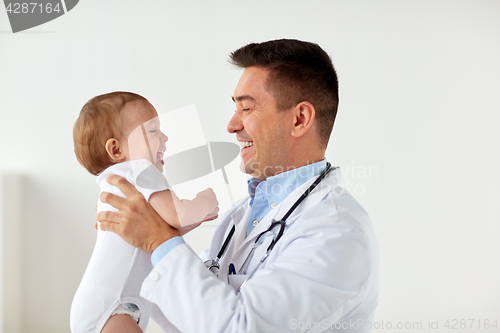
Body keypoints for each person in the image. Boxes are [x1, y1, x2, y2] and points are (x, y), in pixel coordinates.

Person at [97, 39, 380, 332]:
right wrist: (131, 244)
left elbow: (242, 328)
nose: (231, 125)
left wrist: (157, 240)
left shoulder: (336, 232)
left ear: (300, 119)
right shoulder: (243, 214)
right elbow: (196, 320)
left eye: (246, 108)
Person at [70, 92, 219, 333]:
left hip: (104, 303)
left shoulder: (115, 182)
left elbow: (164, 231)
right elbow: (179, 215)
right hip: (114, 306)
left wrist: (197, 217)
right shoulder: (139, 169)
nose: (165, 137)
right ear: (116, 149)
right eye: (152, 131)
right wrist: (205, 200)